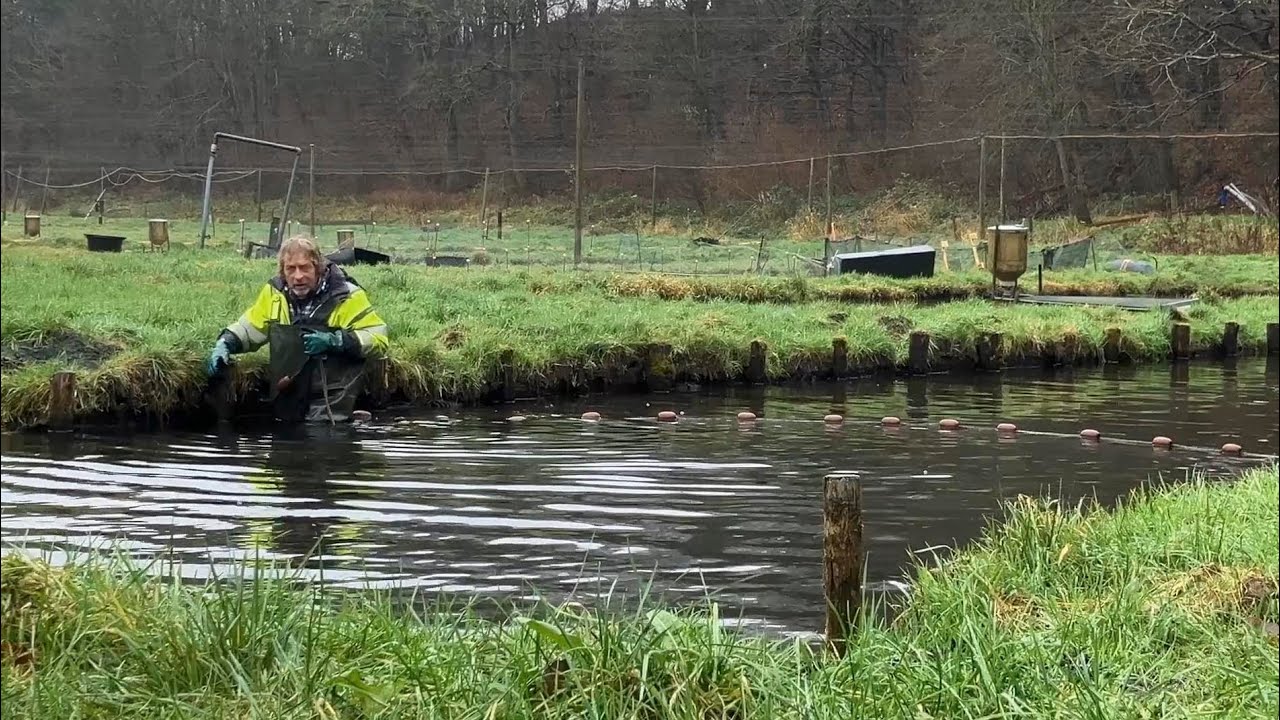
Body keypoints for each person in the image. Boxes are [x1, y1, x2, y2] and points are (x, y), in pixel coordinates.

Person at [206, 236, 389, 422]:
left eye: (305, 267)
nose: (298, 276)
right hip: (289, 400)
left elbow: (378, 338)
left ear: (317, 268)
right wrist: (226, 343)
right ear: (283, 271)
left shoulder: (348, 296)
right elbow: (250, 327)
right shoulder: (274, 294)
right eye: (291, 269)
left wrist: (337, 341)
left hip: (334, 403)